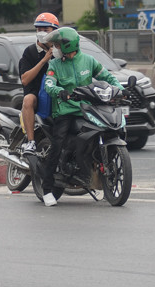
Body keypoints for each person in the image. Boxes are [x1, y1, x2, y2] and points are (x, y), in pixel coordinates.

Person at [38, 26, 122, 207]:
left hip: (87, 109)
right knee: (58, 145)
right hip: (65, 112)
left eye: (58, 45)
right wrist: (61, 92)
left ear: (68, 46)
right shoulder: (54, 64)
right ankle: (47, 190)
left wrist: (120, 90)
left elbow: (108, 77)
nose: (56, 49)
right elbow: (49, 85)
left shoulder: (89, 61)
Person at [18, 12, 59, 155]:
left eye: (46, 29)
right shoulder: (30, 52)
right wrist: (44, 60)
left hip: (56, 93)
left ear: (55, 31)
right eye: (39, 29)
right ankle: (31, 141)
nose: (41, 32)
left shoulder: (60, 51)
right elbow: (25, 79)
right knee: (28, 99)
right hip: (37, 94)